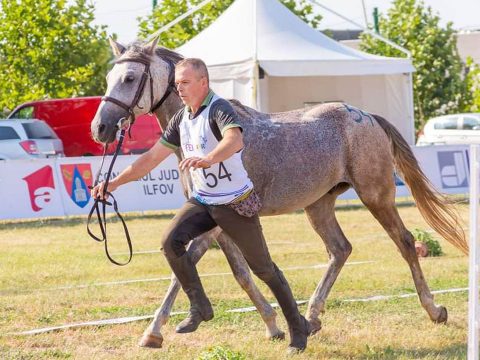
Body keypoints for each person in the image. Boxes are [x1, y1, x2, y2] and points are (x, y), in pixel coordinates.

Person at [91, 58, 309, 353]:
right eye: (177, 83)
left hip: (235, 203)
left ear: (203, 83)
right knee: (170, 242)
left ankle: (298, 328)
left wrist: (210, 158)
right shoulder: (181, 119)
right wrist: (112, 184)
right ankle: (199, 305)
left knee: (264, 269)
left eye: (185, 83)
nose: (179, 88)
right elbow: (150, 159)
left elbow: (234, 139)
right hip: (204, 201)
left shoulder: (219, 108)